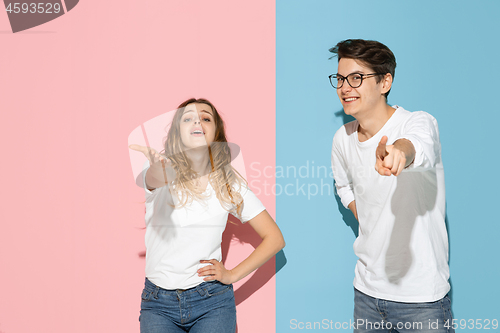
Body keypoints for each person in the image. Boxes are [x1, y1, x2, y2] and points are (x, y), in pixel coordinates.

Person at [129, 98, 285, 333]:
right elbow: (155, 178)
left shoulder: (228, 183)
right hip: (158, 303)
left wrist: (232, 274)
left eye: (206, 118)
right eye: (188, 118)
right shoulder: (159, 168)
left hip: (212, 301)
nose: (197, 121)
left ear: (216, 134)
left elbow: (275, 238)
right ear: (177, 133)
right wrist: (158, 169)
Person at [329, 39, 453, 332]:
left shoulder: (418, 122)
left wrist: (399, 153)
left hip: (422, 299)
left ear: (385, 82)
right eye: (340, 79)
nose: (345, 88)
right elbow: (344, 186)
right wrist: (368, 216)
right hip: (367, 293)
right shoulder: (341, 139)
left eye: (357, 78)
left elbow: (416, 147)